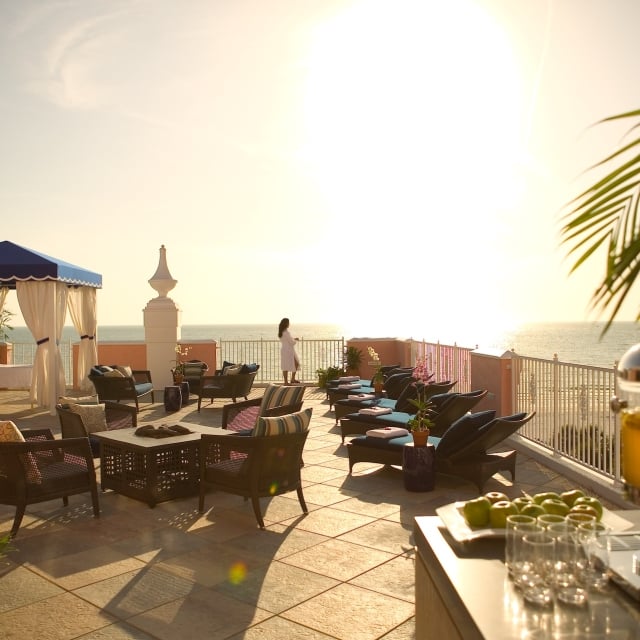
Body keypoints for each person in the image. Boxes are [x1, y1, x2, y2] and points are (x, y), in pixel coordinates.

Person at [278, 317, 300, 384]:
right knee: (296, 363)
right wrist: (295, 340)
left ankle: (287, 381)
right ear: (286, 324)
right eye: (288, 322)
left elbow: (287, 340)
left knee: (285, 365)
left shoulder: (282, 332)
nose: (289, 324)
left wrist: (293, 338)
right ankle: (291, 379)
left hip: (284, 350)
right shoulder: (286, 332)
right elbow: (292, 342)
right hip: (289, 351)